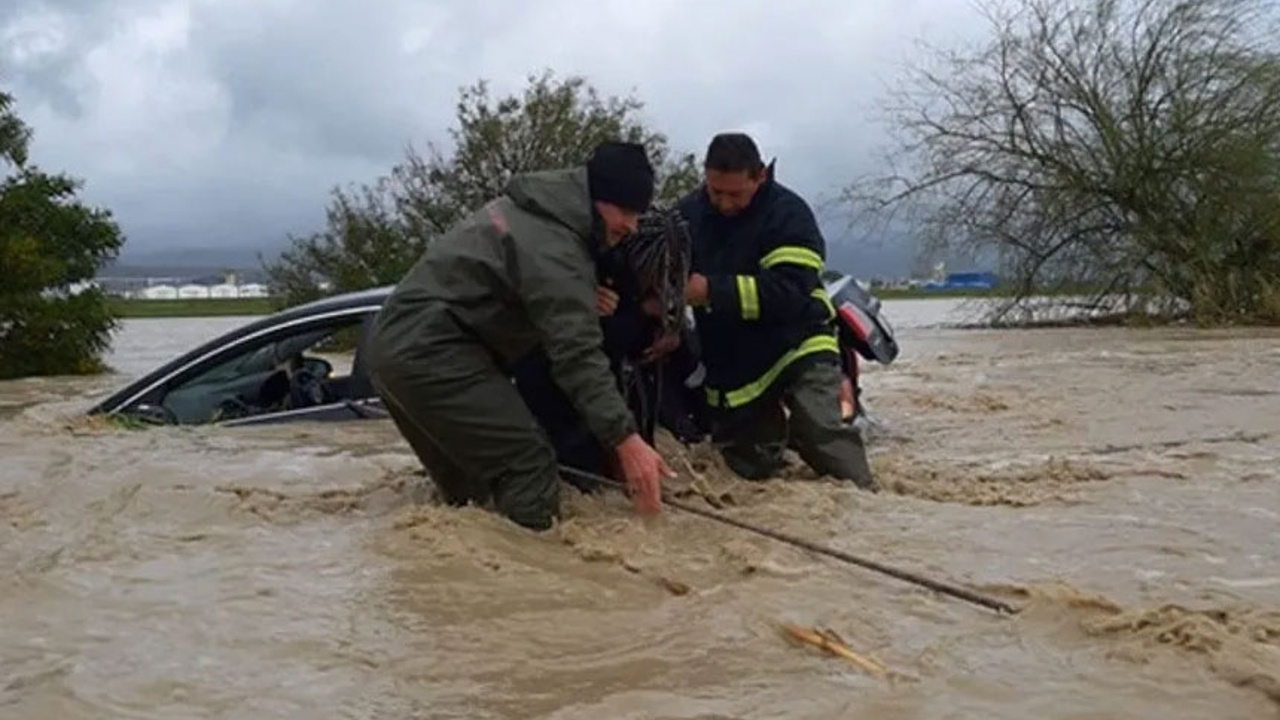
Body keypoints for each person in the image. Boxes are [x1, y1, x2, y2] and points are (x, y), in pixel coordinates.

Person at [365, 140, 676, 531]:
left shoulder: (538, 217)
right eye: (627, 211)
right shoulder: (554, 248)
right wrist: (627, 441)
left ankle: (466, 585)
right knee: (528, 465)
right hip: (433, 351)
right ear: (598, 198)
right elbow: (578, 356)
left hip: (400, 349)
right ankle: (543, 582)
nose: (632, 226)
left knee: (470, 497)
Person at [676, 132, 877, 490]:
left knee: (819, 431)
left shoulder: (789, 215)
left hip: (798, 342)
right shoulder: (686, 215)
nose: (723, 203)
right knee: (748, 471)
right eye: (715, 192)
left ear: (760, 177)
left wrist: (709, 290)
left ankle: (867, 502)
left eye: (735, 194)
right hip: (737, 362)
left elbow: (788, 293)